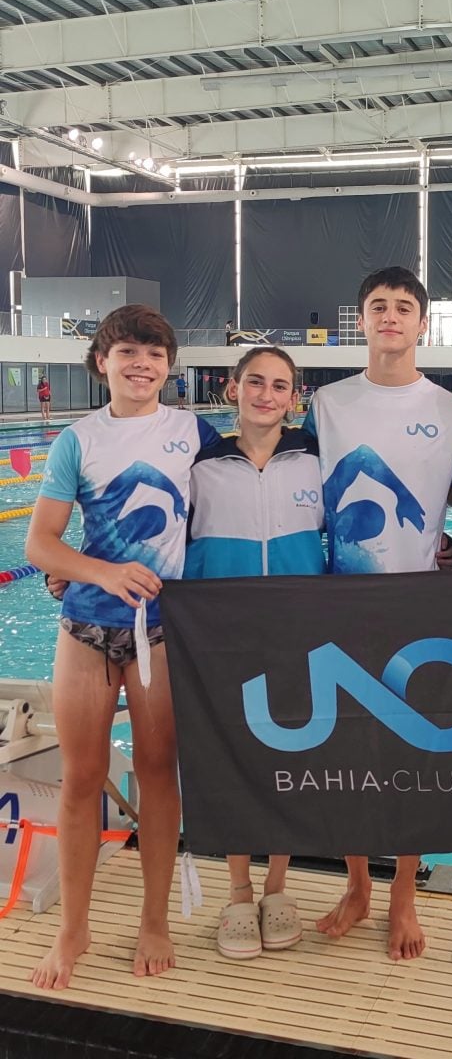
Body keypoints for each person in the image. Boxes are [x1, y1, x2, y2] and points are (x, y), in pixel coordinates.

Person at [25, 304, 219, 990]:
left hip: (162, 631)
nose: (142, 364)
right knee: (80, 780)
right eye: (128, 351)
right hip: (85, 626)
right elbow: (40, 543)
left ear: (170, 365)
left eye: (155, 353)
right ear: (102, 362)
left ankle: (155, 919)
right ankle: (71, 930)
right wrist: (98, 571)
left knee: (160, 774)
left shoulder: (195, 433)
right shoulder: (76, 441)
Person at [303, 266, 452, 960]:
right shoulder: (327, 403)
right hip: (341, 601)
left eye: (405, 307)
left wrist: (451, 541)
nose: (392, 317)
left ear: (423, 323)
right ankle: (356, 886)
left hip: (419, 605)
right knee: (344, 755)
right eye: (379, 305)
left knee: (411, 759)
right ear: (362, 319)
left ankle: (403, 894)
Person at [184, 346, 326, 960]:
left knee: (288, 755)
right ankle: (238, 892)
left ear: (294, 396)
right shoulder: (201, 463)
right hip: (223, 632)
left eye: (280, 385)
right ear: (233, 389)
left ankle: (276, 888)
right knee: (233, 762)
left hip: (299, 629)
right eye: (256, 383)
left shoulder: (315, 460)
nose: (267, 395)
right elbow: (158, 536)